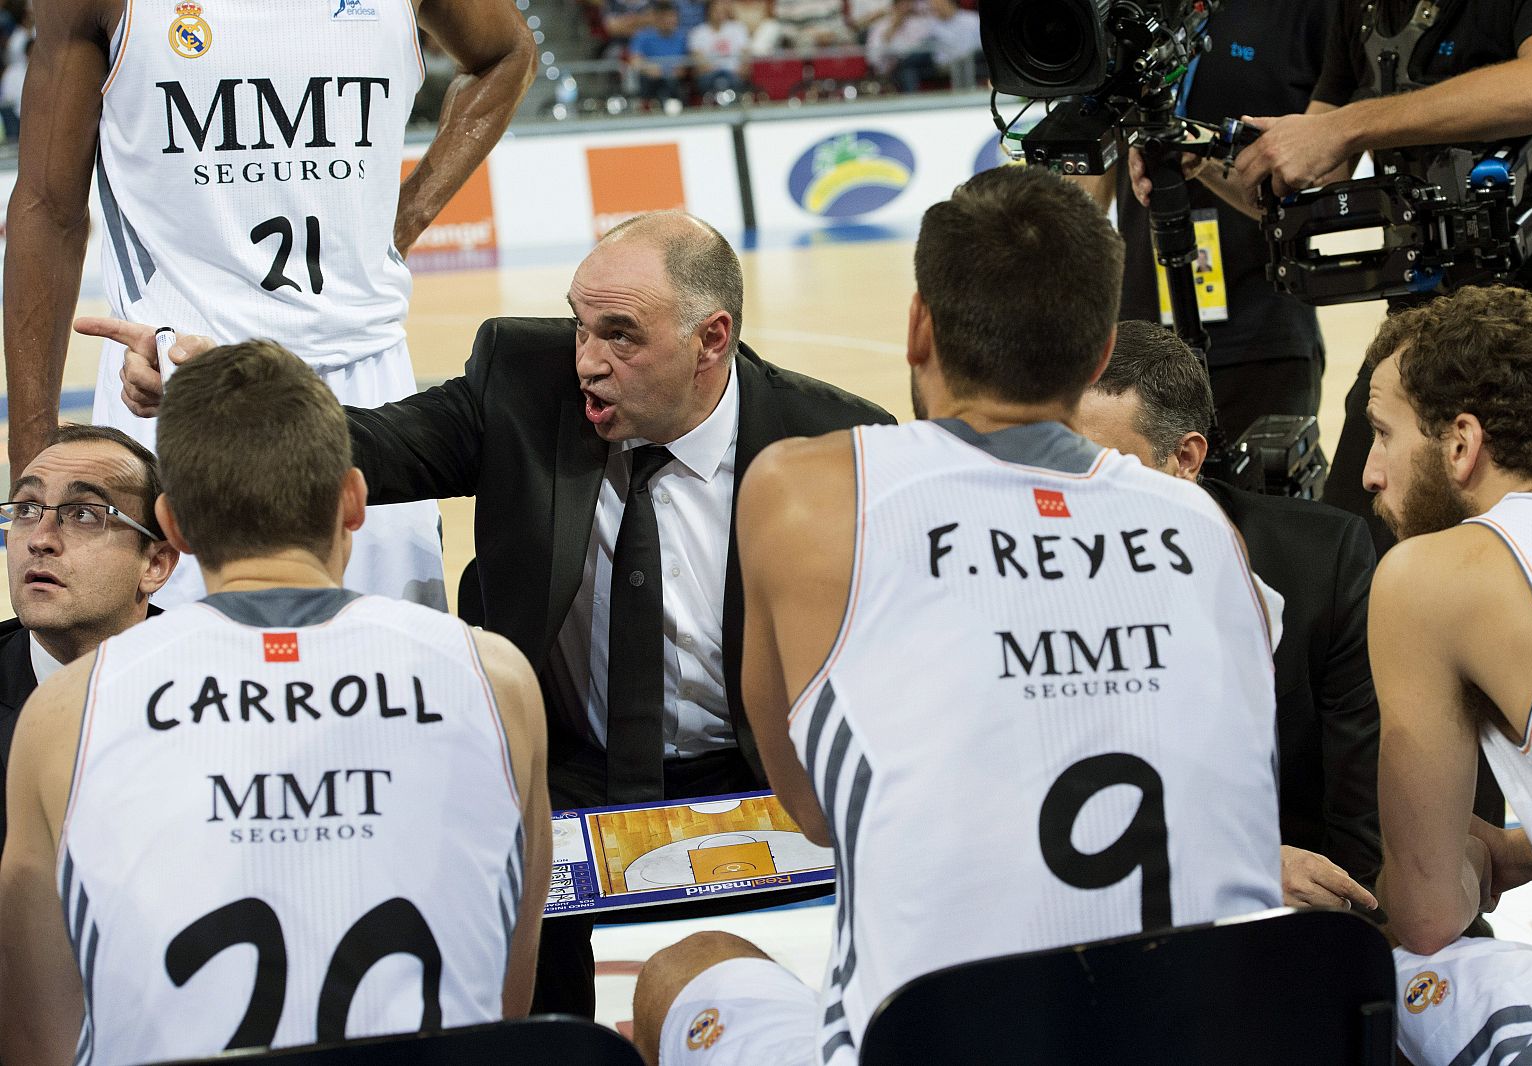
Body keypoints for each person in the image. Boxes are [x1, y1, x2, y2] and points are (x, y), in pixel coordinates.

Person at [109, 210, 895, 1020]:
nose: (587, 360)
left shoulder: (838, 442)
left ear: (711, 339)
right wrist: (214, 395)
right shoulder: (524, 378)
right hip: (562, 770)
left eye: (620, 335)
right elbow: (367, 444)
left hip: (760, 766)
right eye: (579, 325)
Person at [628, 165, 1284, 1066]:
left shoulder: (801, 491)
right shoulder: (1204, 525)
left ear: (916, 329)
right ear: (1100, 355)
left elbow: (816, 813)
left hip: (944, 1039)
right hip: (1205, 1032)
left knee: (681, 968)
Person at [0, 340, 551, 1065]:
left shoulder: (67, 708)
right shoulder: (497, 679)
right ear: (353, 500)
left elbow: (39, 1039)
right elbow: (503, 995)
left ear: (173, 531)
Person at [8, 0, 537, 610]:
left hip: (362, 382)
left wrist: (404, 220)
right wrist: (32, 457)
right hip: (165, 383)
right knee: (167, 685)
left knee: (385, 677)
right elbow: (48, 209)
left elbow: (506, 54)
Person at [1164, 0, 1532, 546]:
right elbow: (1307, 183)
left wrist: (1347, 126)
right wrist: (1202, 161)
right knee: (1358, 533)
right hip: (1426, 311)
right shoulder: (1358, 10)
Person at [1362, 285, 1532, 1063]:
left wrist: (1463, 861)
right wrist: (1516, 851)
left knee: (1390, 975)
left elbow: (1430, 912)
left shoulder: (1431, 574)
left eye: (1382, 435)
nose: (1368, 473)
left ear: (1461, 444)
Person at [1074, 320, 1382, 899]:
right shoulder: (1017, 573)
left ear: (1185, 458)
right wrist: (1227, 861)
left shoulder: (1321, 564)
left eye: (1103, 467)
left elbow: (1363, 833)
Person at [1094, 0, 1336, 443]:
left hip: (1266, 335)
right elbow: (1086, 196)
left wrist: (1198, 156)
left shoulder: (1305, 13)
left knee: (1264, 509)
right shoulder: (1121, 11)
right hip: (1136, 341)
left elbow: (1319, 192)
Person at [0, 423, 177, 859]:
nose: (40, 540)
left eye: (83, 514)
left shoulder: (221, 690)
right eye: (25, 510)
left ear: (155, 563)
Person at [865, 0, 935, 93]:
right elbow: (873, 58)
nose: (905, 8)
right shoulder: (881, 27)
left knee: (908, 67)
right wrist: (892, 30)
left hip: (918, 67)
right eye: (902, 4)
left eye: (908, 4)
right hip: (889, 71)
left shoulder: (918, 23)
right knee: (906, 71)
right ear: (895, 6)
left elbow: (925, 49)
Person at [631, 2, 691, 106]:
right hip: (650, 79)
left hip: (674, 80)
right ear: (657, 18)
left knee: (673, 84)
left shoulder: (682, 37)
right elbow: (635, 61)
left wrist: (680, 69)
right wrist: (647, 67)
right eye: (666, 17)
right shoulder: (643, 36)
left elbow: (685, 64)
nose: (670, 20)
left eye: (673, 17)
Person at [688, 0, 752, 98]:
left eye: (722, 10)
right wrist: (719, 70)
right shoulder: (697, 33)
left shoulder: (738, 29)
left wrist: (738, 71)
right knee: (719, 80)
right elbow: (698, 64)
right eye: (716, 10)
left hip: (734, 75)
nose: (719, 14)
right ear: (708, 11)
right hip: (710, 76)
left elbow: (746, 58)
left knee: (730, 80)